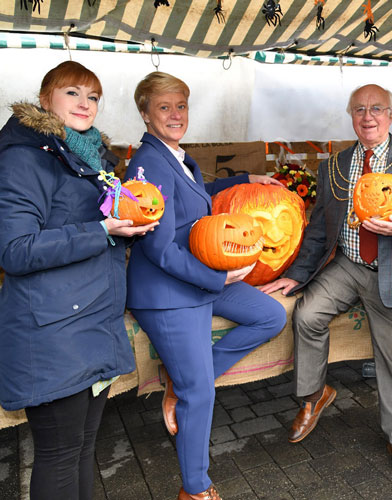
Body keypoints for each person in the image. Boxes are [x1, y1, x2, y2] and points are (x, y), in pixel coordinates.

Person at [260, 84, 392, 479]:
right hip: (347, 265)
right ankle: (314, 395)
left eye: (377, 109)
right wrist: (295, 275)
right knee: (307, 314)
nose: (368, 116)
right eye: (360, 109)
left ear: (391, 115)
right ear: (351, 116)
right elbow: (318, 229)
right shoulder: (334, 164)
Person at [125, 72, 287, 500]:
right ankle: (195, 489)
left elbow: (196, 195)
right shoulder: (149, 163)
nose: (176, 114)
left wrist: (244, 182)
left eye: (181, 105)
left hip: (199, 276)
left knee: (270, 316)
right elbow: (159, 249)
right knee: (202, 394)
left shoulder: (175, 156)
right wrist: (217, 277)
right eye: (164, 107)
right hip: (168, 291)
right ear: (144, 113)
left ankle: (181, 380)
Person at [0, 61, 157, 500]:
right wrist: (103, 231)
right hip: (51, 330)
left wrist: (127, 227)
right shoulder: (25, 157)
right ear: (46, 97)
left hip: (92, 321)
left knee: (84, 448)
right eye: (72, 93)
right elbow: (16, 250)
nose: (84, 104)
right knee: (59, 453)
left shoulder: (90, 159)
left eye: (92, 97)